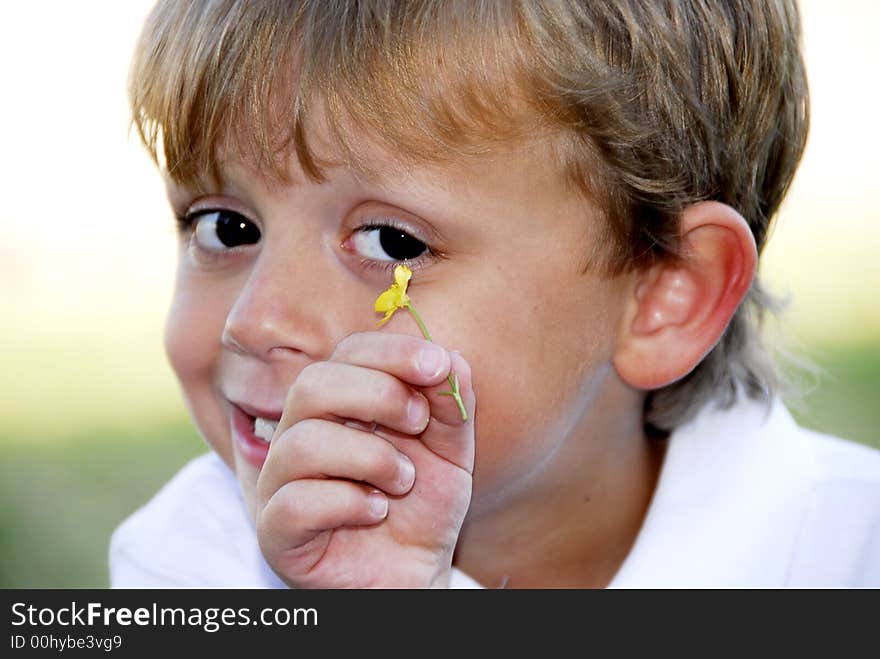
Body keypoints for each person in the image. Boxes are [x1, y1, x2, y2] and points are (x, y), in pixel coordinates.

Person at [110, 0, 880, 588]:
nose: (256, 319)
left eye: (394, 244)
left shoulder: (847, 556)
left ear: (666, 292)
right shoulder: (192, 560)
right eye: (224, 226)